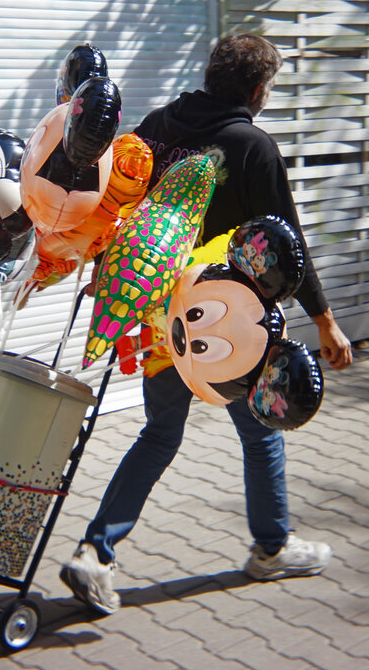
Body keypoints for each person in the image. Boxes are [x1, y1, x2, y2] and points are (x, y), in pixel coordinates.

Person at [60, 33, 353, 615]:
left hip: (159, 317)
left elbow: (120, 204)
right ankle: (271, 548)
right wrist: (325, 321)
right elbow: (286, 245)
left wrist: (107, 271)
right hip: (231, 325)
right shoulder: (252, 146)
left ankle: (95, 553)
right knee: (261, 432)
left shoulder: (157, 126)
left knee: (159, 435)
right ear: (257, 89)